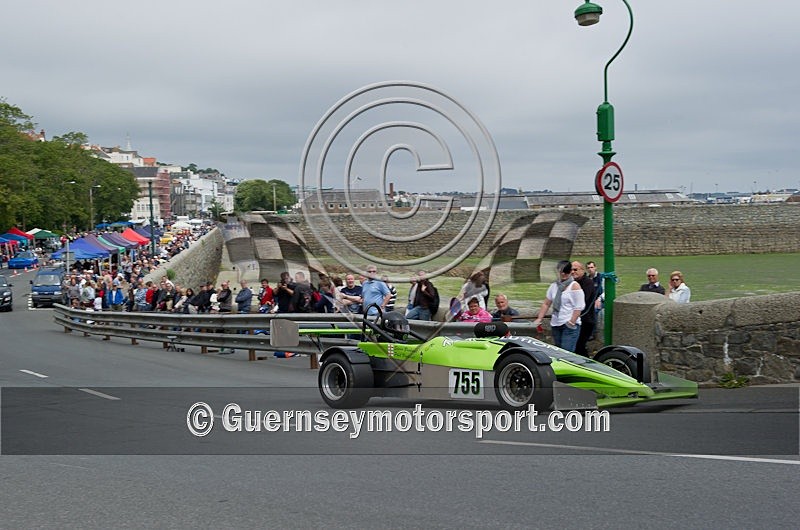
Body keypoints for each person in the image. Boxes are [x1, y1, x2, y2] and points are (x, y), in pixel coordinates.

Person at [533, 260, 585, 352]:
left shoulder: (575, 286)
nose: (564, 274)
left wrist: (571, 322)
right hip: (556, 323)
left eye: (567, 271)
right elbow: (546, 303)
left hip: (569, 325)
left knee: (566, 352)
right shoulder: (554, 286)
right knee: (558, 351)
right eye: (562, 271)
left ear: (570, 272)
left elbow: (579, 306)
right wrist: (539, 318)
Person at [571, 261, 597, 356]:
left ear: (582, 270)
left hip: (586, 320)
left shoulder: (588, 283)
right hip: (576, 319)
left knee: (579, 345)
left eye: (575, 269)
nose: (573, 272)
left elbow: (583, 301)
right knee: (577, 346)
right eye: (571, 270)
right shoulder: (571, 283)